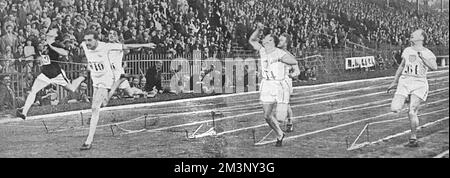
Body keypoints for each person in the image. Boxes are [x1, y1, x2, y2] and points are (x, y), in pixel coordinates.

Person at [79, 30, 155, 150]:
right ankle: (121, 87)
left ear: (96, 39)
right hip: (97, 79)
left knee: (96, 107)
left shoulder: (110, 46)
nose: (87, 43)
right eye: (86, 40)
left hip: (110, 77)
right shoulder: (86, 45)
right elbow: (83, 47)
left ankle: (89, 140)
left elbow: (127, 46)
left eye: (90, 40)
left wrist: (145, 45)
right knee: (103, 104)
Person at [16, 29, 87, 120]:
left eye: (51, 32)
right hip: (45, 73)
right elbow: (39, 55)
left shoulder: (55, 44)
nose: (48, 32)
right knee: (33, 90)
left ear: (54, 36)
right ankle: (24, 113)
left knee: (72, 88)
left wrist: (52, 47)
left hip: (56, 73)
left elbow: (65, 53)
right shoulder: (42, 44)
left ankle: (81, 77)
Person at [249, 23, 299, 147]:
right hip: (266, 84)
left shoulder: (280, 53)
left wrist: (282, 61)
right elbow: (252, 40)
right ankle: (280, 134)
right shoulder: (262, 50)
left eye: (268, 39)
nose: (265, 40)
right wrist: (258, 29)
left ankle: (288, 122)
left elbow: (294, 62)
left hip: (279, 84)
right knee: (267, 116)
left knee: (281, 113)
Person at [387, 29, 438, 148]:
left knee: (412, 111)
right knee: (394, 109)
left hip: (419, 83)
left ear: (421, 38)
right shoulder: (407, 50)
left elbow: (434, 67)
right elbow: (402, 65)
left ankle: (413, 137)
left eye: (414, 34)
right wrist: (394, 81)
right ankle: (407, 98)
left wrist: (422, 57)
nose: (411, 35)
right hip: (405, 81)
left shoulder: (428, 53)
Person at [277, 33, 300, 133]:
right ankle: (287, 121)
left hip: (285, 81)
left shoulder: (289, 56)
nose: (279, 41)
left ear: (286, 43)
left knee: (285, 103)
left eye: (281, 40)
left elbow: (297, 71)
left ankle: (289, 123)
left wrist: (291, 75)